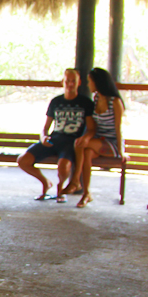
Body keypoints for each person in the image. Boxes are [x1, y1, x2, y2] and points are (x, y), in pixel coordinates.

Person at [17, 68, 95, 202]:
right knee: (23, 160)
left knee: (64, 166)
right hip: (54, 139)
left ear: (79, 82)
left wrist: (85, 137)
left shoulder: (85, 102)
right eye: (67, 81)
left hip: (72, 142)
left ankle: (61, 187)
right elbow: (45, 128)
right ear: (62, 82)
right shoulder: (56, 102)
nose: (70, 84)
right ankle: (45, 182)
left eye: (73, 81)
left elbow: (92, 128)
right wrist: (43, 137)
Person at [63, 67, 126, 207]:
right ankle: (86, 193)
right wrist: (87, 136)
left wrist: (121, 150)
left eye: (90, 81)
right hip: (97, 139)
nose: (88, 84)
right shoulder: (96, 98)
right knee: (84, 150)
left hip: (111, 142)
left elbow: (118, 127)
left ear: (98, 82)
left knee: (81, 144)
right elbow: (93, 125)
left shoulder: (115, 102)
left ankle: (75, 180)